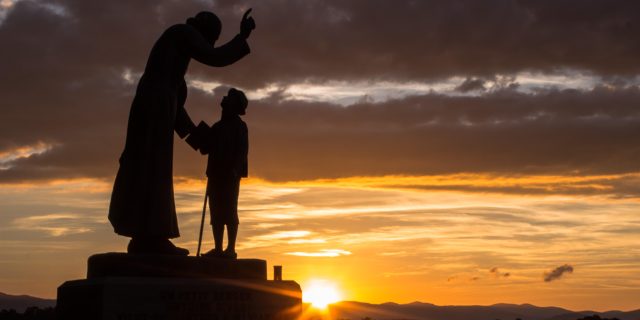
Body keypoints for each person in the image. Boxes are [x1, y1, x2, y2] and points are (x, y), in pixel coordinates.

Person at [108, 10, 256, 255]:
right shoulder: (182, 33)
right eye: (211, 39)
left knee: (153, 169)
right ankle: (151, 237)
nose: (208, 45)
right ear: (204, 31)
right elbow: (215, 57)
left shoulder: (171, 74)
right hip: (153, 109)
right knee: (151, 168)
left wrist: (201, 141)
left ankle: (150, 236)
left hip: (155, 108)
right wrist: (242, 37)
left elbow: (179, 116)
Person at [191, 88, 248, 259]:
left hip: (230, 175)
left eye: (229, 98)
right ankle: (218, 248)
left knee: (230, 210)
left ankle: (230, 249)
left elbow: (242, 150)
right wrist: (199, 135)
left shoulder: (240, 126)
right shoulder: (217, 127)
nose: (225, 100)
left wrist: (235, 169)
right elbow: (205, 149)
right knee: (216, 211)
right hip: (215, 175)